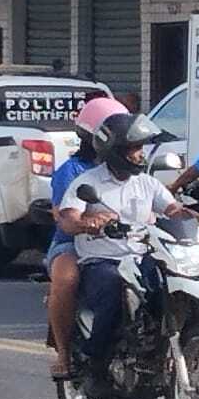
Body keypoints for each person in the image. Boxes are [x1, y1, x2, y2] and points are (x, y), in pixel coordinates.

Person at [56, 111, 195, 398]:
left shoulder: (147, 183)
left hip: (143, 256)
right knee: (113, 291)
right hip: (102, 261)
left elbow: (172, 210)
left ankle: (168, 348)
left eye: (141, 148)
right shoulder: (88, 182)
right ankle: (95, 365)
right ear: (116, 151)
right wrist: (88, 223)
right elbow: (68, 219)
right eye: (134, 148)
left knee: (177, 286)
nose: (140, 154)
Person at [44, 95, 129, 378]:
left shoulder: (126, 167)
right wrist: (87, 223)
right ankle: (64, 352)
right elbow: (61, 214)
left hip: (121, 241)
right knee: (66, 280)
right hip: (71, 243)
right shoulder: (72, 171)